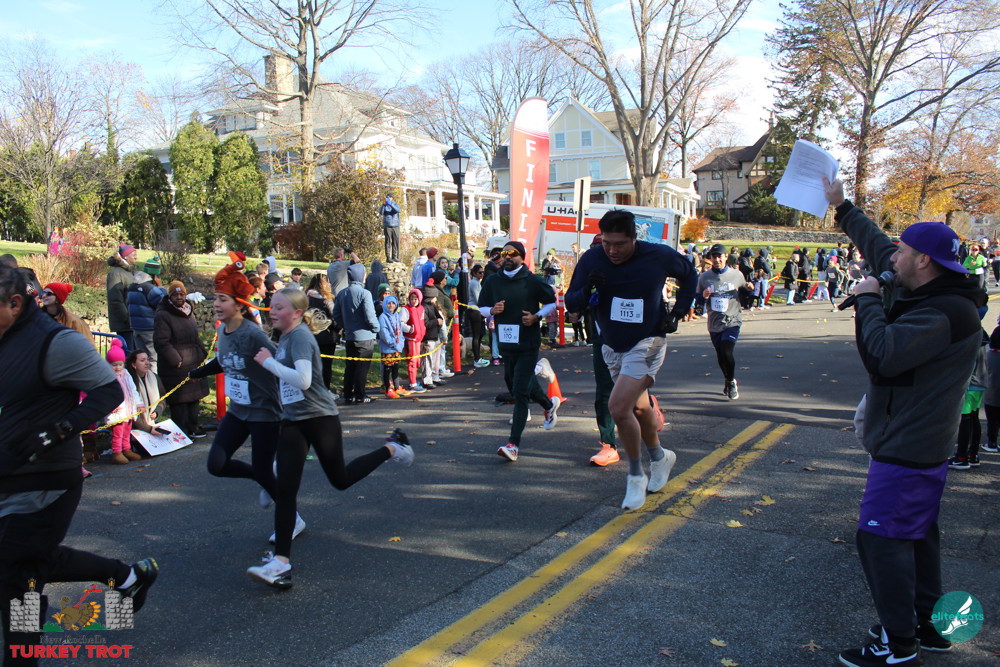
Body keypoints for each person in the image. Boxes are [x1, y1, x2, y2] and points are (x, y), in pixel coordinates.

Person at [824, 178, 984, 667]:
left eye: (904, 252)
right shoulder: (933, 288)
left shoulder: (944, 311)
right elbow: (878, 246)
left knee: (880, 538)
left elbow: (883, 355)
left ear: (924, 261)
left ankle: (898, 644)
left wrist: (868, 300)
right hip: (920, 440)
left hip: (910, 444)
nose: (893, 258)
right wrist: (842, 206)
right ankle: (929, 626)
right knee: (915, 534)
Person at [0, 266, 158, 666]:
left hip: (44, 478)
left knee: (17, 577)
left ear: (15, 303)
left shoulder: (56, 342)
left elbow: (107, 390)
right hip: (7, 473)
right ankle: (126, 577)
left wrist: (59, 430)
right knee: (30, 560)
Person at [247, 288, 414, 589]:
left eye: (279, 307)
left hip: (319, 418)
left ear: (297, 313)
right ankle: (280, 563)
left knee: (341, 479)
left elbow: (303, 380)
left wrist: (268, 363)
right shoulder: (285, 337)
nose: (272, 311)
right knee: (286, 490)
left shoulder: (300, 337)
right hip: (293, 421)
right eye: (271, 306)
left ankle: (392, 447)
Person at [565, 209, 697, 510]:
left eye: (620, 244)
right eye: (607, 243)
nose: (612, 250)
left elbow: (690, 274)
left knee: (618, 406)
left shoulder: (658, 255)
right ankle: (661, 458)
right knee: (639, 408)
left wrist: (678, 311)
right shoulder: (592, 258)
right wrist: (588, 288)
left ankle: (636, 476)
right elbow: (571, 301)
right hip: (612, 344)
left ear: (634, 239)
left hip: (648, 341)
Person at [189, 257, 282, 518]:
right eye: (216, 298)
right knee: (216, 465)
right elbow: (224, 360)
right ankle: (264, 477)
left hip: (264, 412)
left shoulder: (253, 334)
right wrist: (198, 372)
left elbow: (279, 364)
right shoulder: (224, 332)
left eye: (223, 299)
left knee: (264, 469)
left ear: (239, 304)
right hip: (239, 411)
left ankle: (292, 517)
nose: (216, 304)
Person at [477, 241, 561, 462]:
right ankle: (549, 405)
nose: (507, 257)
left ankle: (513, 445)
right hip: (506, 345)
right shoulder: (493, 281)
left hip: (528, 343)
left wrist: (536, 317)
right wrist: (492, 310)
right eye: (504, 253)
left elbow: (552, 302)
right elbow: (481, 306)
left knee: (520, 391)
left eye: (512, 253)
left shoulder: (532, 280)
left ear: (521, 257)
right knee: (519, 382)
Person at [698, 243, 755, 400]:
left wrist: (750, 289)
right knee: (721, 354)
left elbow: (745, 292)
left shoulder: (736, 275)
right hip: (715, 322)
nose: (717, 260)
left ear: (726, 257)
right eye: (714, 257)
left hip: (732, 320)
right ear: (711, 258)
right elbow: (698, 300)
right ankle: (728, 379)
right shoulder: (704, 277)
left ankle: (730, 382)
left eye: (720, 257)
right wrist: (703, 296)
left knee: (726, 350)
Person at [154, 281, 208, 439]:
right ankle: (181, 430)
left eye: (181, 294)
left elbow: (195, 336)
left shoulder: (188, 312)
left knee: (194, 398)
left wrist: (202, 352)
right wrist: (175, 360)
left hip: (193, 361)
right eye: (175, 294)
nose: (179, 297)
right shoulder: (163, 315)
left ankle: (193, 426)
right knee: (180, 401)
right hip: (176, 365)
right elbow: (161, 341)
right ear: (170, 297)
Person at [333, 264, 379, 404]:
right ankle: (360, 395)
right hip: (365, 336)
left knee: (350, 366)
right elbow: (370, 315)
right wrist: (376, 328)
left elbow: (336, 314)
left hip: (350, 335)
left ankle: (348, 394)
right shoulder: (365, 293)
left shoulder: (342, 293)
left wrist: (346, 325)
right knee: (362, 367)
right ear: (361, 276)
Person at [104, 339, 145, 464]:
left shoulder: (126, 374)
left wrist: (139, 403)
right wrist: (110, 405)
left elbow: (133, 390)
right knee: (118, 433)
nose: (117, 367)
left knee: (127, 431)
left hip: (128, 408)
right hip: (117, 410)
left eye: (120, 364)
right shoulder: (107, 376)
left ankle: (127, 449)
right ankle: (117, 452)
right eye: (114, 365)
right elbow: (105, 394)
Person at [126, 258, 167, 372]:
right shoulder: (150, 288)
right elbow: (163, 302)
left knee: (140, 358)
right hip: (149, 328)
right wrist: (161, 288)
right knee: (153, 358)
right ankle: (153, 380)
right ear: (154, 275)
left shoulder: (132, 286)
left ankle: (141, 380)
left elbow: (127, 303)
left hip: (135, 327)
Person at [304, 273, 339, 390]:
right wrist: (339, 328)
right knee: (326, 365)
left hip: (310, 335)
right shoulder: (326, 299)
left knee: (312, 364)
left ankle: (312, 389)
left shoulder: (305, 297)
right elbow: (334, 316)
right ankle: (325, 390)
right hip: (327, 336)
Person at [127, 349, 165, 436]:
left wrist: (157, 411)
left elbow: (162, 398)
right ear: (133, 364)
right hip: (134, 428)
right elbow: (131, 412)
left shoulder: (154, 377)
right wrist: (148, 429)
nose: (147, 363)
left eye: (147, 359)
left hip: (152, 423)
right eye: (142, 360)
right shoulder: (129, 382)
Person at [107, 243, 137, 352]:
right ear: (125, 257)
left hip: (133, 323)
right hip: (125, 324)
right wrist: (127, 318)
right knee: (128, 354)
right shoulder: (115, 274)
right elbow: (116, 300)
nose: (136, 257)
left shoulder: (130, 272)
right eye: (133, 254)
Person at [378, 294, 408, 398]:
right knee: (387, 369)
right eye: (389, 303)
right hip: (387, 348)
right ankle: (388, 389)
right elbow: (384, 333)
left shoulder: (396, 316)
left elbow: (400, 331)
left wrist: (401, 343)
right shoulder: (382, 317)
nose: (391, 306)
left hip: (397, 347)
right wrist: (393, 342)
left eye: (393, 303)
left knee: (395, 368)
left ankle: (397, 387)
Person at [401, 288, 428, 393]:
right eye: (412, 299)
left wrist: (423, 330)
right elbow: (401, 323)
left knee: (417, 362)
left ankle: (414, 382)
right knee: (412, 361)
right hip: (410, 339)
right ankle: (412, 384)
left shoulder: (421, 309)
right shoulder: (406, 309)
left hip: (418, 338)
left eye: (416, 299)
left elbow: (422, 321)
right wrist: (410, 329)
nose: (413, 301)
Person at [468, 264, 489, 368]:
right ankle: (476, 359)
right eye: (480, 272)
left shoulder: (476, 282)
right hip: (475, 310)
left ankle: (477, 357)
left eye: (483, 272)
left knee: (479, 334)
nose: (482, 274)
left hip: (475, 309)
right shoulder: (474, 283)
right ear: (475, 273)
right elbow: (478, 299)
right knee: (476, 335)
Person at [381, 194, 401, 263]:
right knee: (388, 242)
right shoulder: (384, 206)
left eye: (389, 197)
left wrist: (390, 204)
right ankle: (388, 257)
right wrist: (384, 205)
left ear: (392, 198)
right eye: (387, 197)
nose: (388, 199)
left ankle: (394, 256)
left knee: (395, 241)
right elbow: (381, 212)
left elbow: (397, 210)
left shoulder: (396, 205)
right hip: (387, 225)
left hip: (395, 225)